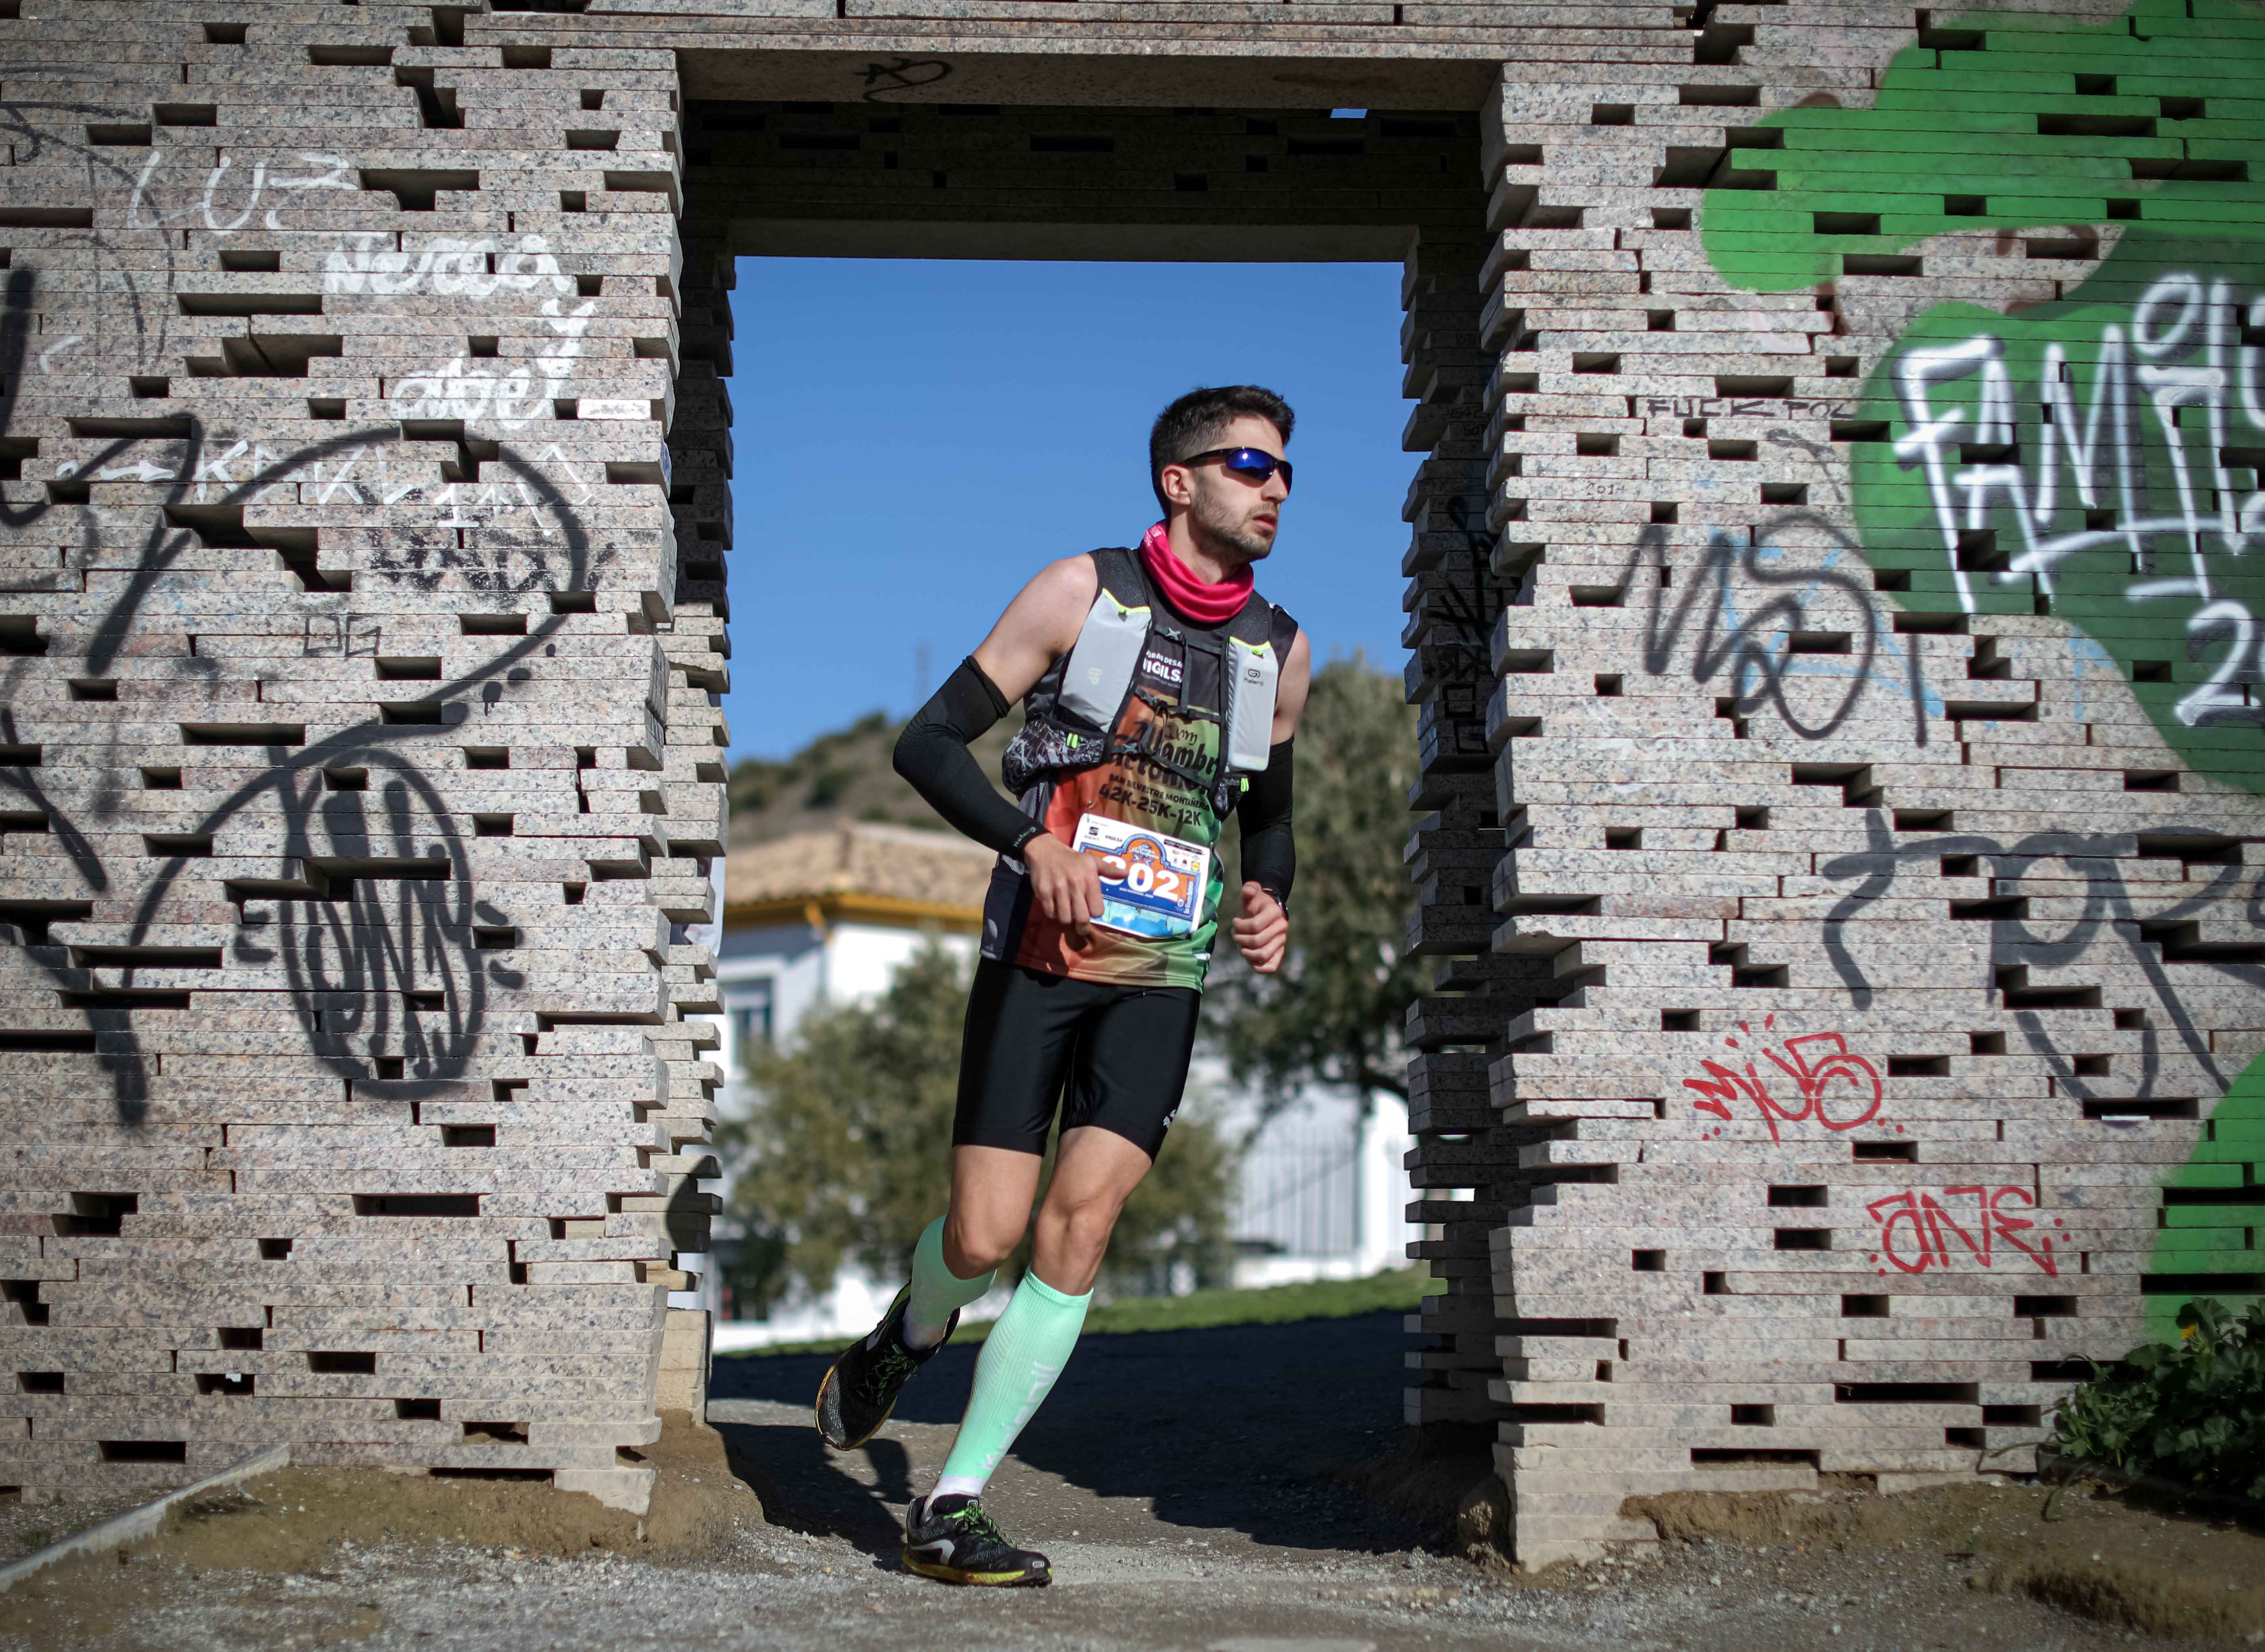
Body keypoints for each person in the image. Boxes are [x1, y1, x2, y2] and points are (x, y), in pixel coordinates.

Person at [813, 385, 1312, 1587]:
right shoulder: (1080, 593)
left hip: (1162, 979)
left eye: (1289, 471)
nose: (1278, 488)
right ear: (1179, 480)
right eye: (1252, 464)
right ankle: (907, 1332)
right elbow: (926, 742)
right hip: (1037, 961)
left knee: (1077, 1228)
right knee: (983, 1236)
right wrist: (1027, 844)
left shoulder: (1281, 652)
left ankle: (956, 1502)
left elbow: (1274, 820)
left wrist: (1269, 897)